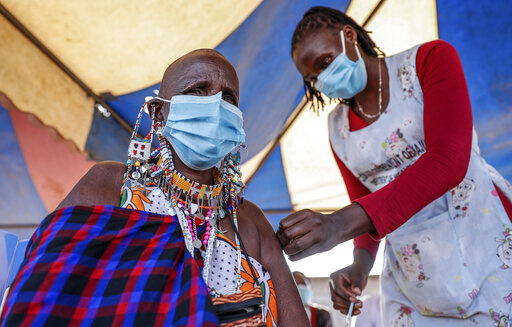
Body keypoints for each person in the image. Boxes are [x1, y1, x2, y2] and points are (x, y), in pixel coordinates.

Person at [2, 49, 309, 326]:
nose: (215, 105)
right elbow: (45, 285)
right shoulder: (113, 184)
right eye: (198, 91)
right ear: (159, 115)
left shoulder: (250, 220)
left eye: (227, 98)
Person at [277, 6, 512, 326]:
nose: (322, 81)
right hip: (414, 276)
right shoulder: (338, 129)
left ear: (349, 36)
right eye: (313, 79)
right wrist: (358, 269)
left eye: (326, 62)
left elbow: (448, 160)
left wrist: (336, 225)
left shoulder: (429, 61)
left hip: (484, 243)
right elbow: (365, 209)